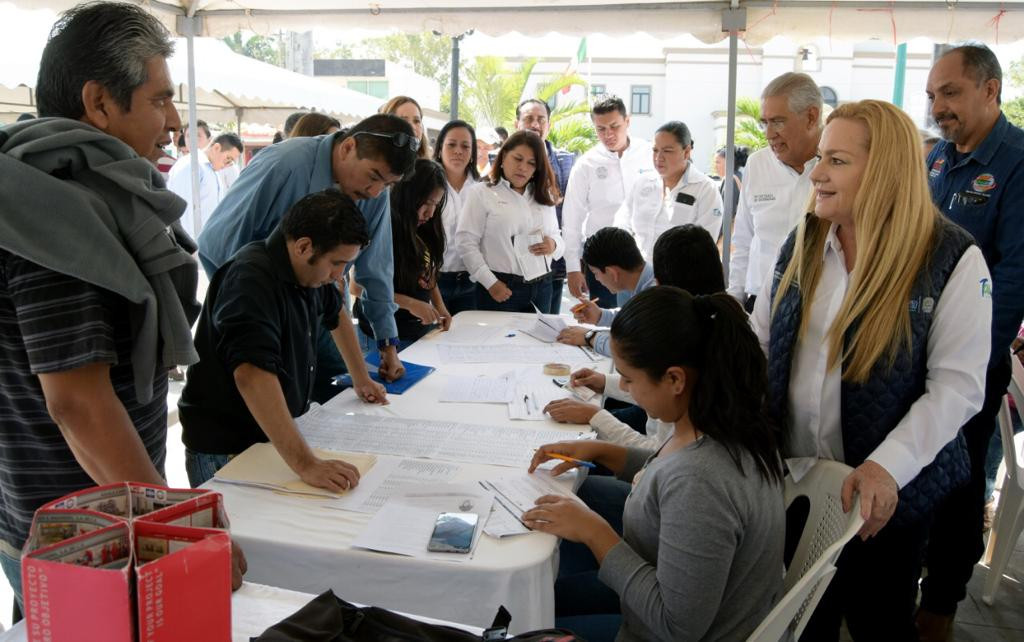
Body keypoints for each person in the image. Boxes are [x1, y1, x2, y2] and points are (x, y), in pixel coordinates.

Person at [0, 1, 245, 606]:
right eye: (159, 100)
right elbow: (77, 404)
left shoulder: (85, 193)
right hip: (79, 537)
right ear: (99, 102)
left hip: (94, 511)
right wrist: (178, 529)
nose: (173, 123)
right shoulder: (54, 209)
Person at [751, 99, 991, 640]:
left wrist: (886, 467)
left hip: (885, 501)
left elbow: (956, 389)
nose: (817, 173)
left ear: (885, 170)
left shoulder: (949, 258)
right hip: (796, 482)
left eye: (836, 161)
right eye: (821, 157)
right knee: (801, 621)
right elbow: (761, 342)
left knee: (878, 622)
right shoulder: (804, 240)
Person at [523, 286, 785, 641]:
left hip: (668, 629)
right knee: (538, 602)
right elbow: (667, 467)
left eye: (629, 379)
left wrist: (594, 532)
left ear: (675, 379)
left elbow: (677, 627)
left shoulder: (699, 481)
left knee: (526, 623)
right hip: (677, 594)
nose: (624, 387)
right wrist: (599, 450)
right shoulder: (726, 425)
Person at [198, 114, 418, 403]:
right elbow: (218, 243)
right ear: (348, 147)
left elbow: (377, 268)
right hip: (257, 312)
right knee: (257, 393)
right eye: (374, 177)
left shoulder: (374, 196)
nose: (375, 192)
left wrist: (387, 342)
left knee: (323, 394)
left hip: (320, 306)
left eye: (388, 185)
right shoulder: (284, 164)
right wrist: (251, 304)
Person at [917, 43, 1024, 640]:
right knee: (917, 473)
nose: (938, 107)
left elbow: (1014, 278)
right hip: (916, 351)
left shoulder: (1017, 162)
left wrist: (965, 355)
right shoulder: (937, 158)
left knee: (959, 485)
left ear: (990, 90)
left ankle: (940, 608)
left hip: (970, 362)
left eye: (950, 93)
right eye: (933, 95)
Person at [179, 190, 385, 489]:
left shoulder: (310, 273)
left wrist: (361, 377)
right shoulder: (250, 280)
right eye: (337, 263)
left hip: (272, 436)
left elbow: (335, 313)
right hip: (229, 448)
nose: (338, 274)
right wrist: (306, 464)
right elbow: (252, 375)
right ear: (303, 246)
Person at [548, 225, 726, 448]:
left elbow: (657, 452)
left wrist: (596, 417)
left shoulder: (679, 344)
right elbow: (653, 388)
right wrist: (605, 383)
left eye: (629, 379)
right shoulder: (721, 325)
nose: (625, 385)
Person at [728, 72, 822, 312]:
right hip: (758, 301)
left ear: (811, 117)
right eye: (764, 123)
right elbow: (744, 239)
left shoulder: (835, 167)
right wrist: (735, 299)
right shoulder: (757, 164)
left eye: (778, 122)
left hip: (815, 305)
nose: (768, 134)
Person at [455, 130, 563, 313]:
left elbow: (557, 237)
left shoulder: (544, 196)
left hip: (542, 286)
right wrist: (490, 283)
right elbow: (466, 243)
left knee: (540, 334)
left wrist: (553, 245)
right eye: (518, 159)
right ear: (504, 156)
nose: (523, 167)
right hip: (500, 287)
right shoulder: (481, 193)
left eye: (531, 163)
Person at [562, 96, 653, 307]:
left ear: (627, 121)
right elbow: (572, 217)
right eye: (601, 129)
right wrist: (573, 268)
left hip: (644, 258)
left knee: (647, 317)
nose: (608, 134)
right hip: (603, 264)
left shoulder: (649, 153)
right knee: (606, 318)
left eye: (614, 126)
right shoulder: (586, 164)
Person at [354, 159, 451, 350]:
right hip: (378, 334)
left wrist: (440, 306)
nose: (430, 213)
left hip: (416, 332)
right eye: (427, 203)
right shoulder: (384, 227)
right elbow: (357, 287)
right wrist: (411, 304)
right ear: (409, 196)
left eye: (436, 204)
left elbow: (427, 271)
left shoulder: (425, 227)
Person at [615, 120, 723, 260]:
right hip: (638, 269)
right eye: (655, 150)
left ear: (686, 152)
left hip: (679, 272)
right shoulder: (642, 182)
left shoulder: (705, 189)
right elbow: (622, 221)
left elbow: (704, 244)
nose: (659, 158)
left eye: (667, 151)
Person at [516, 98, 577, 313]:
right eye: (528, 119)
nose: (535, 124)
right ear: (517, 124)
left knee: (548, 325)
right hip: (508, 269)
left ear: (548, 125)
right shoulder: (499, 159)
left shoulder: (566, 162)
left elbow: (572, 216)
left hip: (552, 265)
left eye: (541, 119)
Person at [556, 227, 653, 356]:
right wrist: (601, 316)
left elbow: (635, 349)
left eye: (595, 273)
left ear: (612, 272)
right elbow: (635, 320)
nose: (597, 279)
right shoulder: (639, 279)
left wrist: (590, 337)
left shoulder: (655, 293)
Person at [433, 120, 480, 317]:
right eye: (451, 145)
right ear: (439, 149)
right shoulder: (427, 186)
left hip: (473, 283)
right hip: (434, 282)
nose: (458, 151)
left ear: (473, 153)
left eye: (465, 146)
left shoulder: (483, 189)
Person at [166, 132, 243, 231]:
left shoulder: (212, 170)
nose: (227, 164)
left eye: (231, 161)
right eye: (228, 158)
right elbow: (184, 214)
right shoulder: (191, 165)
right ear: (216, 148)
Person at [714, 144, 749, 224]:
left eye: (717, 162)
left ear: (729, 162)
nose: (715, 166)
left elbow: (727, 215)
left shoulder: (730, 180)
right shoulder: (739, 176)